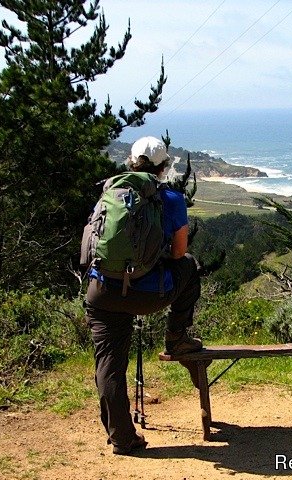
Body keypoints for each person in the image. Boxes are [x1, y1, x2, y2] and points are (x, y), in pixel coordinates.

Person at [84, 136, 203, 455]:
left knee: (108, 362)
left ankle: (121, 437)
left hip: (103, 290)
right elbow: (179, 254)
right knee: (190, 266)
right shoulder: (172, 199)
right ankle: (176, 337)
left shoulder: (110, 192)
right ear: (164, 167)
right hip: (149, 293)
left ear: (131, 163)